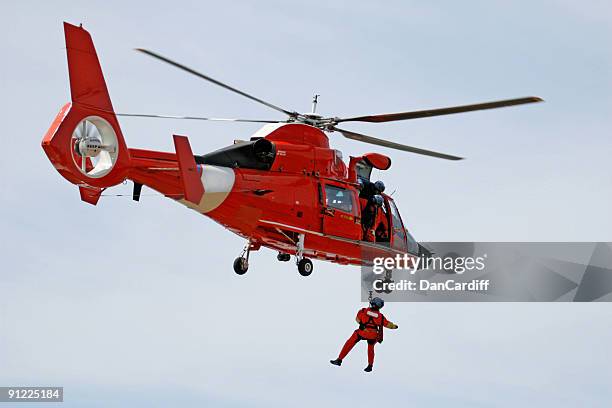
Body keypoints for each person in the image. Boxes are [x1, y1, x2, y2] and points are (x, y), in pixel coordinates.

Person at [330, 297, 398, 372]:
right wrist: (395, 326)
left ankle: (339, 360)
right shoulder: (380, 317)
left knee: (349, 342)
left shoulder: (363, 311)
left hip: (362, 332)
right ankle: (370, 366)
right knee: (370, 349)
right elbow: (388, 325)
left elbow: (357, 319)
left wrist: (362, 325)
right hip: (373, 335)